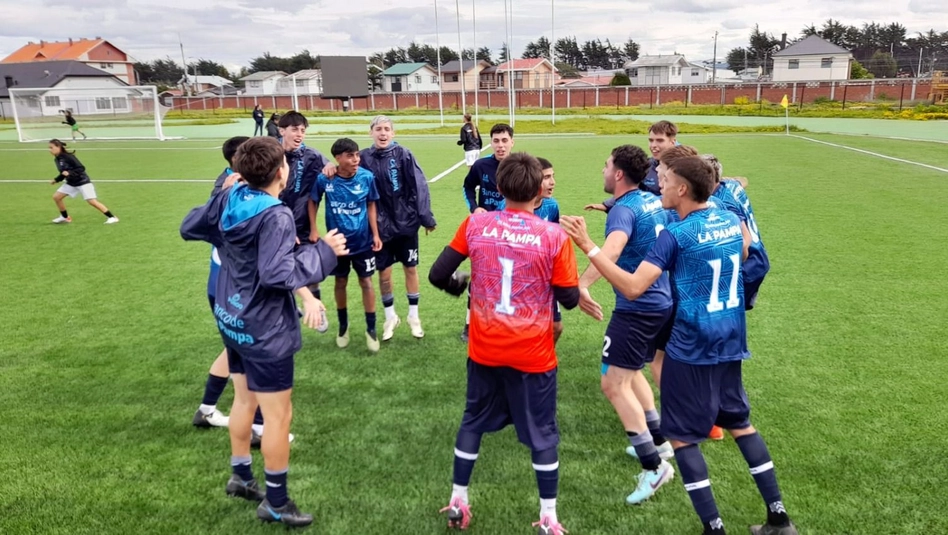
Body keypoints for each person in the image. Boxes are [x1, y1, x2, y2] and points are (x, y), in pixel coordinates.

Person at [561, 156, 798, 535]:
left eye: (666, 179)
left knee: (683, 439)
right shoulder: (728, 218)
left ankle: (713, 528)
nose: (660, 185)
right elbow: (745, 249)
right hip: (731, 338)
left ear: (683, 188)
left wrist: (588, 245)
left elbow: (633, 287)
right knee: (741, 425)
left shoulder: (676, 235)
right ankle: (779, 518)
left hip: (691, 346)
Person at [180, 137, 347, 528]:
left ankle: (241, 476)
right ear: (281, 173)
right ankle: (276, 501)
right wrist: (324, 251)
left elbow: (190, 226)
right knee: (278, 417)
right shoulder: (276, 215)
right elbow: (277, 274)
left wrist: (223, 196)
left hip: (231, 317)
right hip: (264, 329)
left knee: (244, 400)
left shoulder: (229, 195)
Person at [429, 152, 579, 535]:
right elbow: (569, 299)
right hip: (533, 353)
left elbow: (437, 274)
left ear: (498, 187)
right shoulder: (554, 236)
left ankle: (458, 500)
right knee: (542, 433)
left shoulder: (477, 223)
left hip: (485, 348)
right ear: (540, 191)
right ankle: (549, 516)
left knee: (472, 421)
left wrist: (459, 286)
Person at [575, 145, 676, 504]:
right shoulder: (650, 200)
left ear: (618, 174)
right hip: (661, 301)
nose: (603, 171)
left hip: (638, 309)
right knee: (631, 374)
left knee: (613, 383)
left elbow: (613, 250)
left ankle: (654, 467)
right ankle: (660, 443)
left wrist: (582, 284)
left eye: (606, 165)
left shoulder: (623, 210)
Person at [353, 116, 436, 341]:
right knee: (384, 273)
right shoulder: (363, 157)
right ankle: (390, 317)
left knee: (411, 268)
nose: (383, 133)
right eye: (378, 129)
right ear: (371, 132)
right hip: (379, 228)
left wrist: (426, 217)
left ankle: (413, 317)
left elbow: (419, 185)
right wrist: (330, 167)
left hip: (406, 223)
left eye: (387, 129)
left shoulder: (404, 155)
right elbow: (347, 173)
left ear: (393, 133)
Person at [192, 135, 250, 430]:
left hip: (226, 280)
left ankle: (206, 410)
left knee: (236, 349)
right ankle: (255, 427)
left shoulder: (235, 184)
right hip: (230, 283)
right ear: (237, 159)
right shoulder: (230, 189)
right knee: (249, 350)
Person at [309, 138, 383, 352]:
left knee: (366, 282)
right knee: (340, 282)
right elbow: (313, 201)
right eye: (350, 156)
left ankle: (371, 329)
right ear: (338, 158)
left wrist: (375, 234)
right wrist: (314, 229)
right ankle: (343, 327)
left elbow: (371, 205)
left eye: (357, 155)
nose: (356, 159)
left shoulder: (366, 177)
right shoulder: (325, 179)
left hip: (363, 242)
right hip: (337, 245)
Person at [496, 158, 564, 342]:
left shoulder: (552, 206)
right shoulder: (505, 207)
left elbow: (554, 237)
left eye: (553, 176)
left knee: (556, 327)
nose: (552, 182)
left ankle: (544, 354)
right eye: (546, 177)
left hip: (545, 276)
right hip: (515, 277)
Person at [459, 123, 514, 342]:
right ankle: (469, 324)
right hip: (485, 232)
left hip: (512, 233)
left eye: (504, 141)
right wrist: (474, 208)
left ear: (512, 142)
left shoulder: (521, 166)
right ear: (490, 143)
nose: (500, 145)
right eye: (496, 141)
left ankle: (505, 323)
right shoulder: (481, 166)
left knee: (509, 277)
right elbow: (467, 188)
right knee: (479, 277)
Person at [277, 111, 331, 325]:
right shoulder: (271, 154)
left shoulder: (312, 155)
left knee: (311, 270)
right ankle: (288, 309)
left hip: (304, 224)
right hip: (277, 224)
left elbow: (329, 167)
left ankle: (318, 309)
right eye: (294, 130)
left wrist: (330, 166)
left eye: (302, 130)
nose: (299, 134)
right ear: (282, 131)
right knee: (280, 270)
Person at [703, 154, 770, 311]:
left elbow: (744, 241)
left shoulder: (722, 203)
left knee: (724, 313)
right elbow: (742, 180)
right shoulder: (730, 185)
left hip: (748, 266)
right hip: (759, 258)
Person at [584, 120, 678, 212]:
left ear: (672, 142)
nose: (653, 145)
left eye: (660, 141)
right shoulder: (647, 165)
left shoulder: (682, 167)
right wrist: (607, 205)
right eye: (651, 140)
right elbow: (630, 188)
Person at [48, 139, 118, 224]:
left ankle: (112, 217)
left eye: (51, 147)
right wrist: (56, 180)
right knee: (56, 197)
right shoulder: (57, 159)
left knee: (92, 201)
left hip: (82, 181)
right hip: (71, 183)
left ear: (58, 147)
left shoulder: (68, 157)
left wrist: (70, 173)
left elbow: (81, 168)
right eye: (49, 148)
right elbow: (64, 173)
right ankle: (65, 217)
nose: (50, 150)